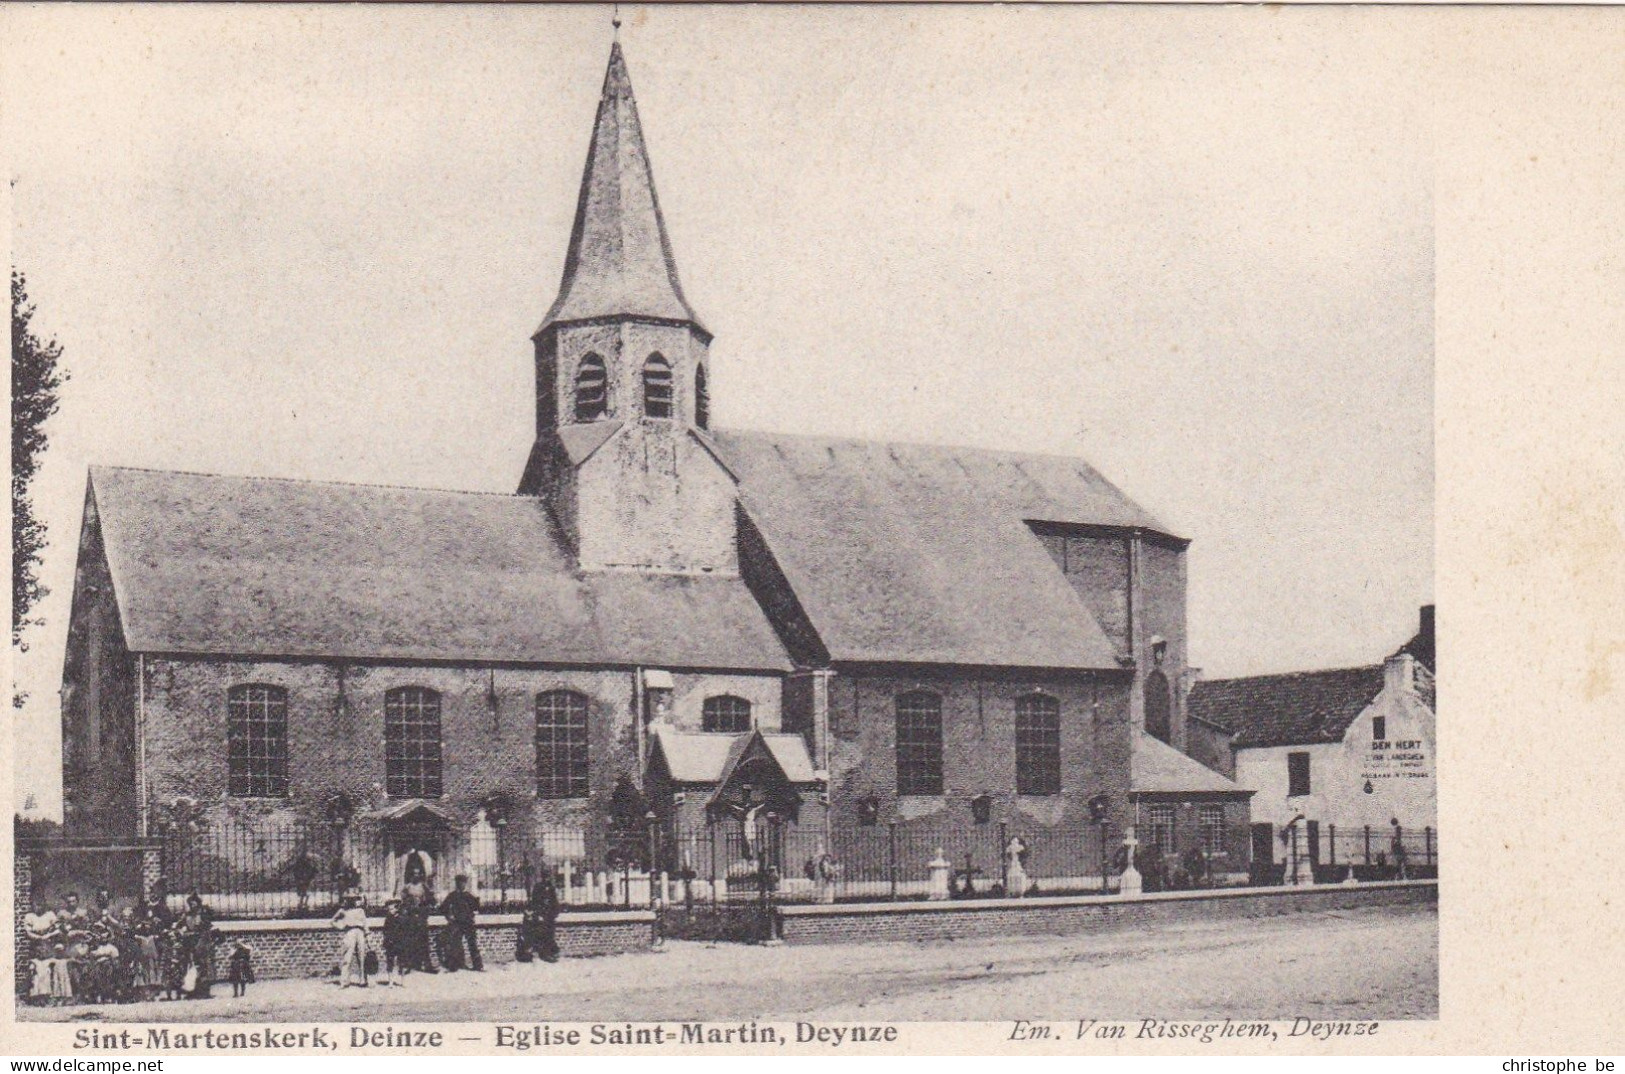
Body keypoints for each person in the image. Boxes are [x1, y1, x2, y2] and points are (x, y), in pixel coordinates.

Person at [439, 874, 482, 972]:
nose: (462, 885)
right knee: (455, 944)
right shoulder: (452, 896)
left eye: (463, 883)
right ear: (456, 883)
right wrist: (449, 917)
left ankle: (478, 965)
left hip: (468, 922)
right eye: (459, 882)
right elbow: (443, 908)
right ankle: (454, 966)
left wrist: (478, 896)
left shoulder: (468, 895)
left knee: (472, 943)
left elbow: (477, 907)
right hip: (457, 923)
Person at [515, 873, 560, 964]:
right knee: (543, 935)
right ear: (542, 877)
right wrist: (538, 913)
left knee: (550, 935)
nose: (546, 879)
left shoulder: (551, 887)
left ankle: (550, 953)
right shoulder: (538, 887)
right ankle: (545, 954)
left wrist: (555, 912)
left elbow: (554, 901)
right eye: (545, 877)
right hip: (542, 915)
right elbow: (535, 901)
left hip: (549, 916)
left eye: (547, 877)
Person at [177, 894, 215, 999]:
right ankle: (191, 991)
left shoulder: (202, 914)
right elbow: (179, 925)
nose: (192, 906)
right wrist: (182, 931)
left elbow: (207, 927)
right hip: (190, 944)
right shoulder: (187, 915)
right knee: (191, 967)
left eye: (194, 903)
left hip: (201, 944)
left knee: (204, 967)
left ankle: (204, 991)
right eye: (190, 904)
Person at [330, 894, 369, 987]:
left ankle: (363, 980)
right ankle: (344, 981)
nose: (352, 901)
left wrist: (367, 935)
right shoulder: (343, 911)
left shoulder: (360, 911)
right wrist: (341, 927)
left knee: (361, 956)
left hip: (360, 932)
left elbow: (365, 923)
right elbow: (332, 921)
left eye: (354, 899)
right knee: (347, 957)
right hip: (349, 932)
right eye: (349, 899)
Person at [380, 898, 409, 985]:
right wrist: (387, 940)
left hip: (400, 943)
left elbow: (405, 931)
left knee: (402, 962)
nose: (390, 911)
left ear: (396, 909)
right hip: (390, 943)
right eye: (389, 909)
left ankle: (403, 981)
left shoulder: (402, 918)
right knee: (390, 961)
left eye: (392, 909)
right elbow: (385, 930)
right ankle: (391, 981)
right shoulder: (388, 919)